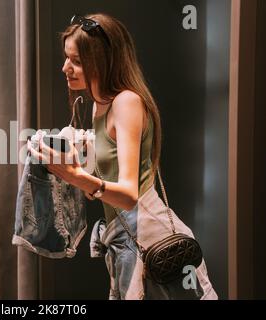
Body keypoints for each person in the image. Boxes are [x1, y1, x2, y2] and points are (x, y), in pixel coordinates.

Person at [29, 13, 217, 299]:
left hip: (150, 233)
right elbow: (110, 180)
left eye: (77, 61)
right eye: (67, 58)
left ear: (104, 60)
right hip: (125, 235)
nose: (65, 67)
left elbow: (129, 195)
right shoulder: (99, 105)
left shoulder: (126, 102)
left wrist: (73, 175)